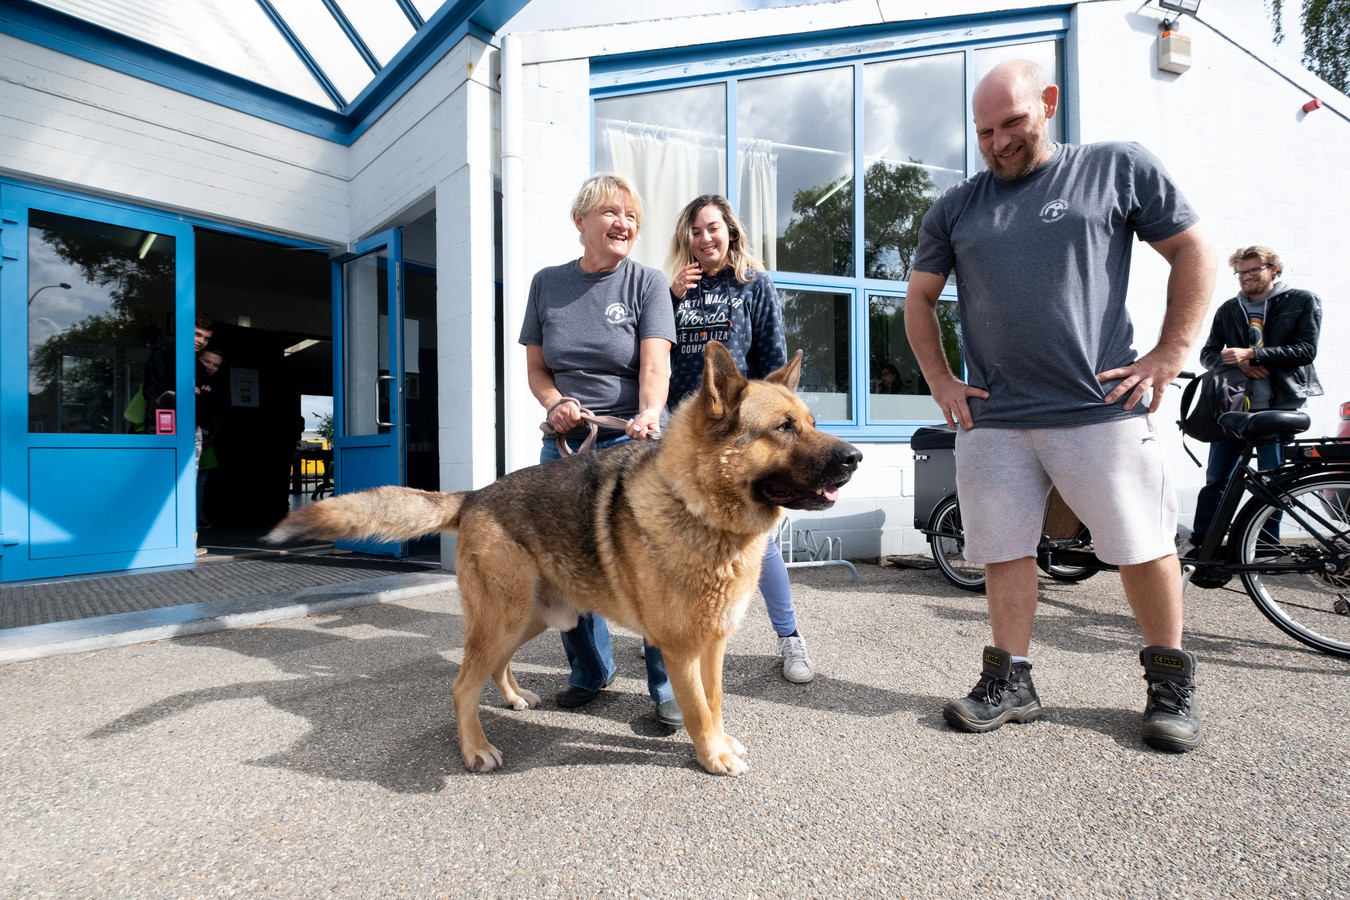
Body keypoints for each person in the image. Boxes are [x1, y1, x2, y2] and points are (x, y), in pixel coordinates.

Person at [903, 60, 1216, 753]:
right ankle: (1012, 680)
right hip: (995, 417)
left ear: (1047, 104)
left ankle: (1169, 682)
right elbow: (918, 299)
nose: (999, 142)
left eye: (1012, 123)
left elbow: (1193, 250)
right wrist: (943, 383)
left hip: (1099, 408)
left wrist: (1170, 352)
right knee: (1003, 551)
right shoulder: (957, 206)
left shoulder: (1116, 168)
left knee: (1141, 547)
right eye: (985, 131)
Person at [518, 172, 681, 726]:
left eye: (631, 216)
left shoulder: (647, 282)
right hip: (566, 444)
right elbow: (538, 366)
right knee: (566, 563)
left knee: (652, 564)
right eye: (612, 213)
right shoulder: (547, 284)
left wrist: (650, 414)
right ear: (580, 220)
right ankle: (591, 670)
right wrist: (554, 402)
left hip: (630, 441)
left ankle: (667, 685)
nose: (624, 224)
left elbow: (656, 362)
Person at [665, 193, 815, 684]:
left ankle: (790, 638)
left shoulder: (753, 285)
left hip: (738, 434)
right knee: (676, 537)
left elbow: (773, 364)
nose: (704, 238)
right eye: (695, 230)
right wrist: (668, 296)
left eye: (712, 228)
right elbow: (654, 354)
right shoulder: (673, 289)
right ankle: (682, 638)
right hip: (683, 434)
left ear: (730, 231)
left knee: (757, 539)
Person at [1181, 246, 1323, 556]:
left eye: (1253, 270)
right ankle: (1203, 542)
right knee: (1217, 477)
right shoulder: (1229, 309)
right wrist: (1238, 363)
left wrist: (1254, 353)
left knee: (1273, 481)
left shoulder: (1301, 301)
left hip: (1279, 407)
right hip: (1234, 409)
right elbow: (1208, 355)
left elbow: (1305, 351)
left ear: (1273, 269)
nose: (1246, 277)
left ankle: (1266, 547)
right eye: (1241, 272)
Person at [195, 344, 226, 532]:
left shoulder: (214, 386)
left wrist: (211, 437)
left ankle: (198, 514)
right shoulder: (190, 377)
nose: (210, 367)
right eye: (207, 361)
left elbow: (216, 414)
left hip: (206, 439)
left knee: (201, 482)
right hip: (185, 437)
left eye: (215, 365)